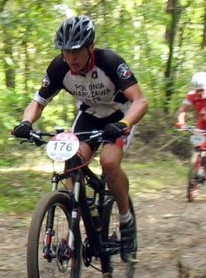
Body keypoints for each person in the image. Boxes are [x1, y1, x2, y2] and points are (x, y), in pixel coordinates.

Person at [11, 15, 148, 261]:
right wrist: (26, 123)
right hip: (90, 115)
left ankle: (126, 221)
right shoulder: (59, 66)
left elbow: (141, 101)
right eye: (66, 52)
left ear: (90, 48)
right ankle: (83, 221)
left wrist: (123, 124)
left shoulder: (110, 62)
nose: (71, 57)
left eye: (76, 51)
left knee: (108, 163)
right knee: (71, 164)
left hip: (120, 114)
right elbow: (38, 101)